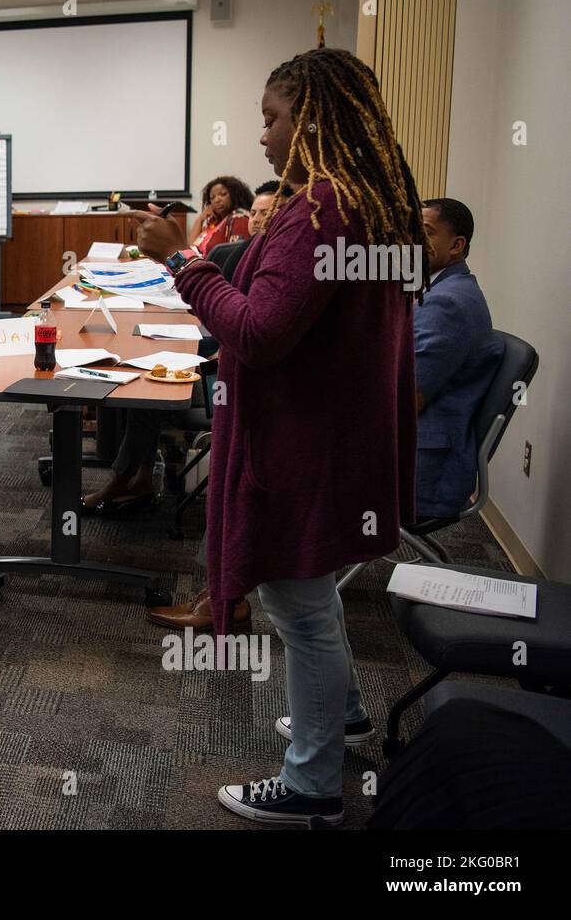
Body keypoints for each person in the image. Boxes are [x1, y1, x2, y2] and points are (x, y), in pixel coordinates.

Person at [135, 48, 424, 826]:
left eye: (273, 117)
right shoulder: (370, 200)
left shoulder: (322, 210)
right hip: (337, 432)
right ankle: (348, 716)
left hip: (303, 444)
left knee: (295, 603)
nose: (262, 136)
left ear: (315, 118)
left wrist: (181, 264)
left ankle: (312, 786)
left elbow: (259, 331)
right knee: (315, 595)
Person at [415, 197, 503, 519]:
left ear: (456, 245)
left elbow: (408, 399)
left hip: (423, 470)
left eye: (425, 231)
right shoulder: (443, 290)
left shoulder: (448, 303)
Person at [188, 176, 253, 256]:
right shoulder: (213, 221)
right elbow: (191, 247)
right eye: (212, 198)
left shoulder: (239, 218)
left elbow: (237, 256)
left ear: (234, 195)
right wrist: (200, 219)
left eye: (223, 194)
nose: (217, 200)